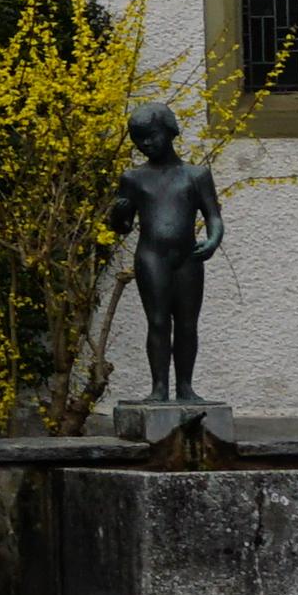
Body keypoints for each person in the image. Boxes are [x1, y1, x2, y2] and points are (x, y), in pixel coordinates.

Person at [104, 99, 225, 408]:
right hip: (151, 256)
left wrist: (213, 240)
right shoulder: (133, 178)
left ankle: (185, 387)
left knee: (187, 323)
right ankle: (159, 388)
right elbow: (122, 226)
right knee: (158, 321)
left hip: (188, 256)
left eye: (152, 135)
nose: (146, 143)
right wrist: (117, 214)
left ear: (169, 131)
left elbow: (213, 215)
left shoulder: (196, 175)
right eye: (138, 138)